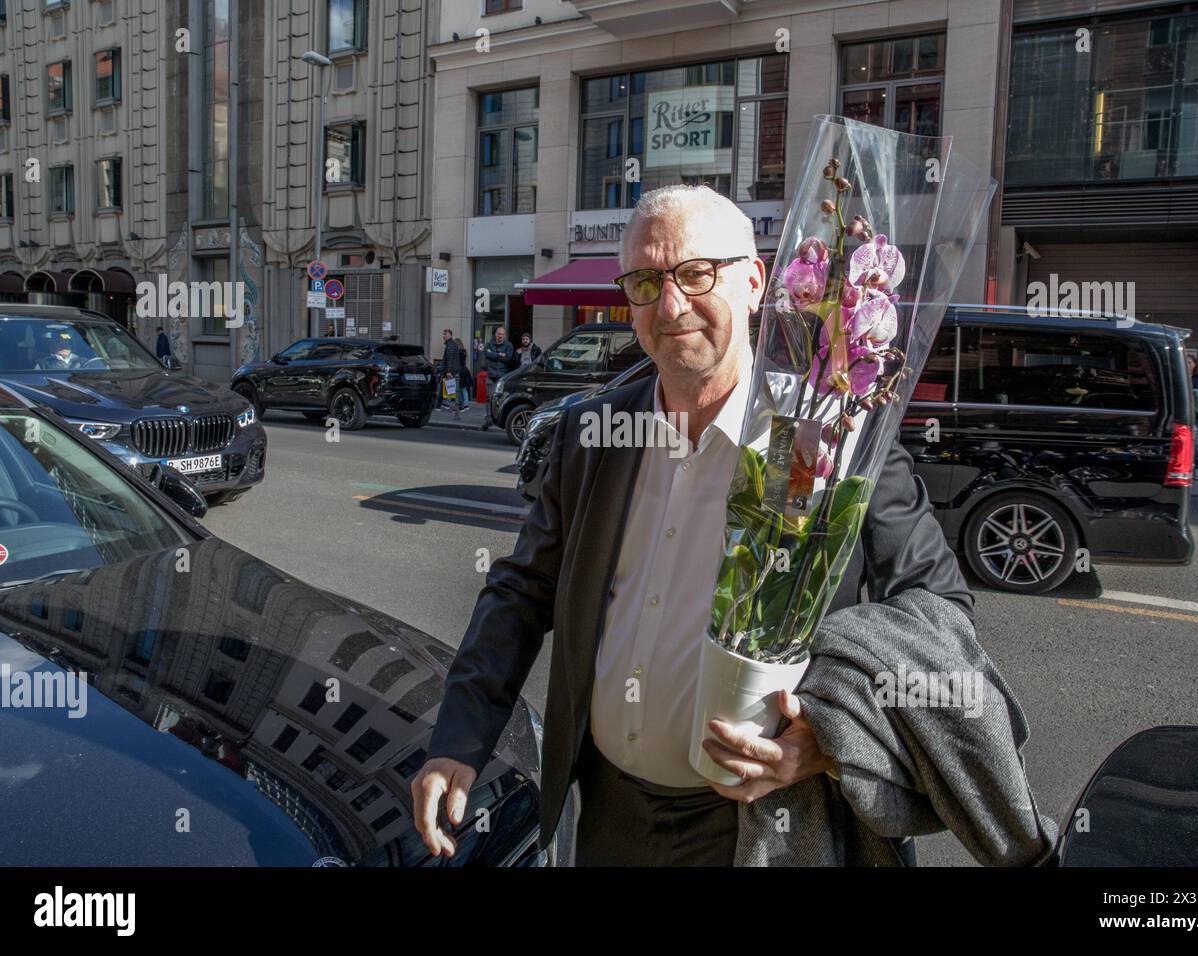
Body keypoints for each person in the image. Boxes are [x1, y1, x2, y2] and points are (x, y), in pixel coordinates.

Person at [412, 184, 1053, 867]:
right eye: (644, 281)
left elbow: (938, 610)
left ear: (754, 285)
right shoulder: (589, 431)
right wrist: (459, 739)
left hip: (767, 826)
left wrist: (830, 737)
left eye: (695, 273)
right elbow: (522, 588)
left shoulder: (830, 436)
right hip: (607, 813)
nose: (670, 305)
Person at [481, 326, 515, 430]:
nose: (500, 336)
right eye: (498, 334)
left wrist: (494, 355)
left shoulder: (509, 345)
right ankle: (489, 418)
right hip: (491, 375)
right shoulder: (489, 344)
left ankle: (499, 418)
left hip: (502, 376)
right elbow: (486, 353)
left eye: (502, 334)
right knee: (489, 398)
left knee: (500, 399)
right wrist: (500, 355)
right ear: (495, 334)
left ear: (504, 335)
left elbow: (508, 358)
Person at [439, 328, 463, 417]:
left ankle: (458, 405)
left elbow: (450, 359)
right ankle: (449, 404)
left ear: (450, 335)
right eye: (443, 334)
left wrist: (448, 371)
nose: (443, 336)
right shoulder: (450, 344)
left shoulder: (450, 345)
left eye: (445, 334)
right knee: (452, 388)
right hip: (453, 370)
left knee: (452, 388)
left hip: (452, 370)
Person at [453, 337, 472, 412]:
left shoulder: (457, 352)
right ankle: (466, 404)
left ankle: (460, 405)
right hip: (465, 371)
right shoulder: (464, 351)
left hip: (459, 371)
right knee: (464, 389)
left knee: (458, 389)